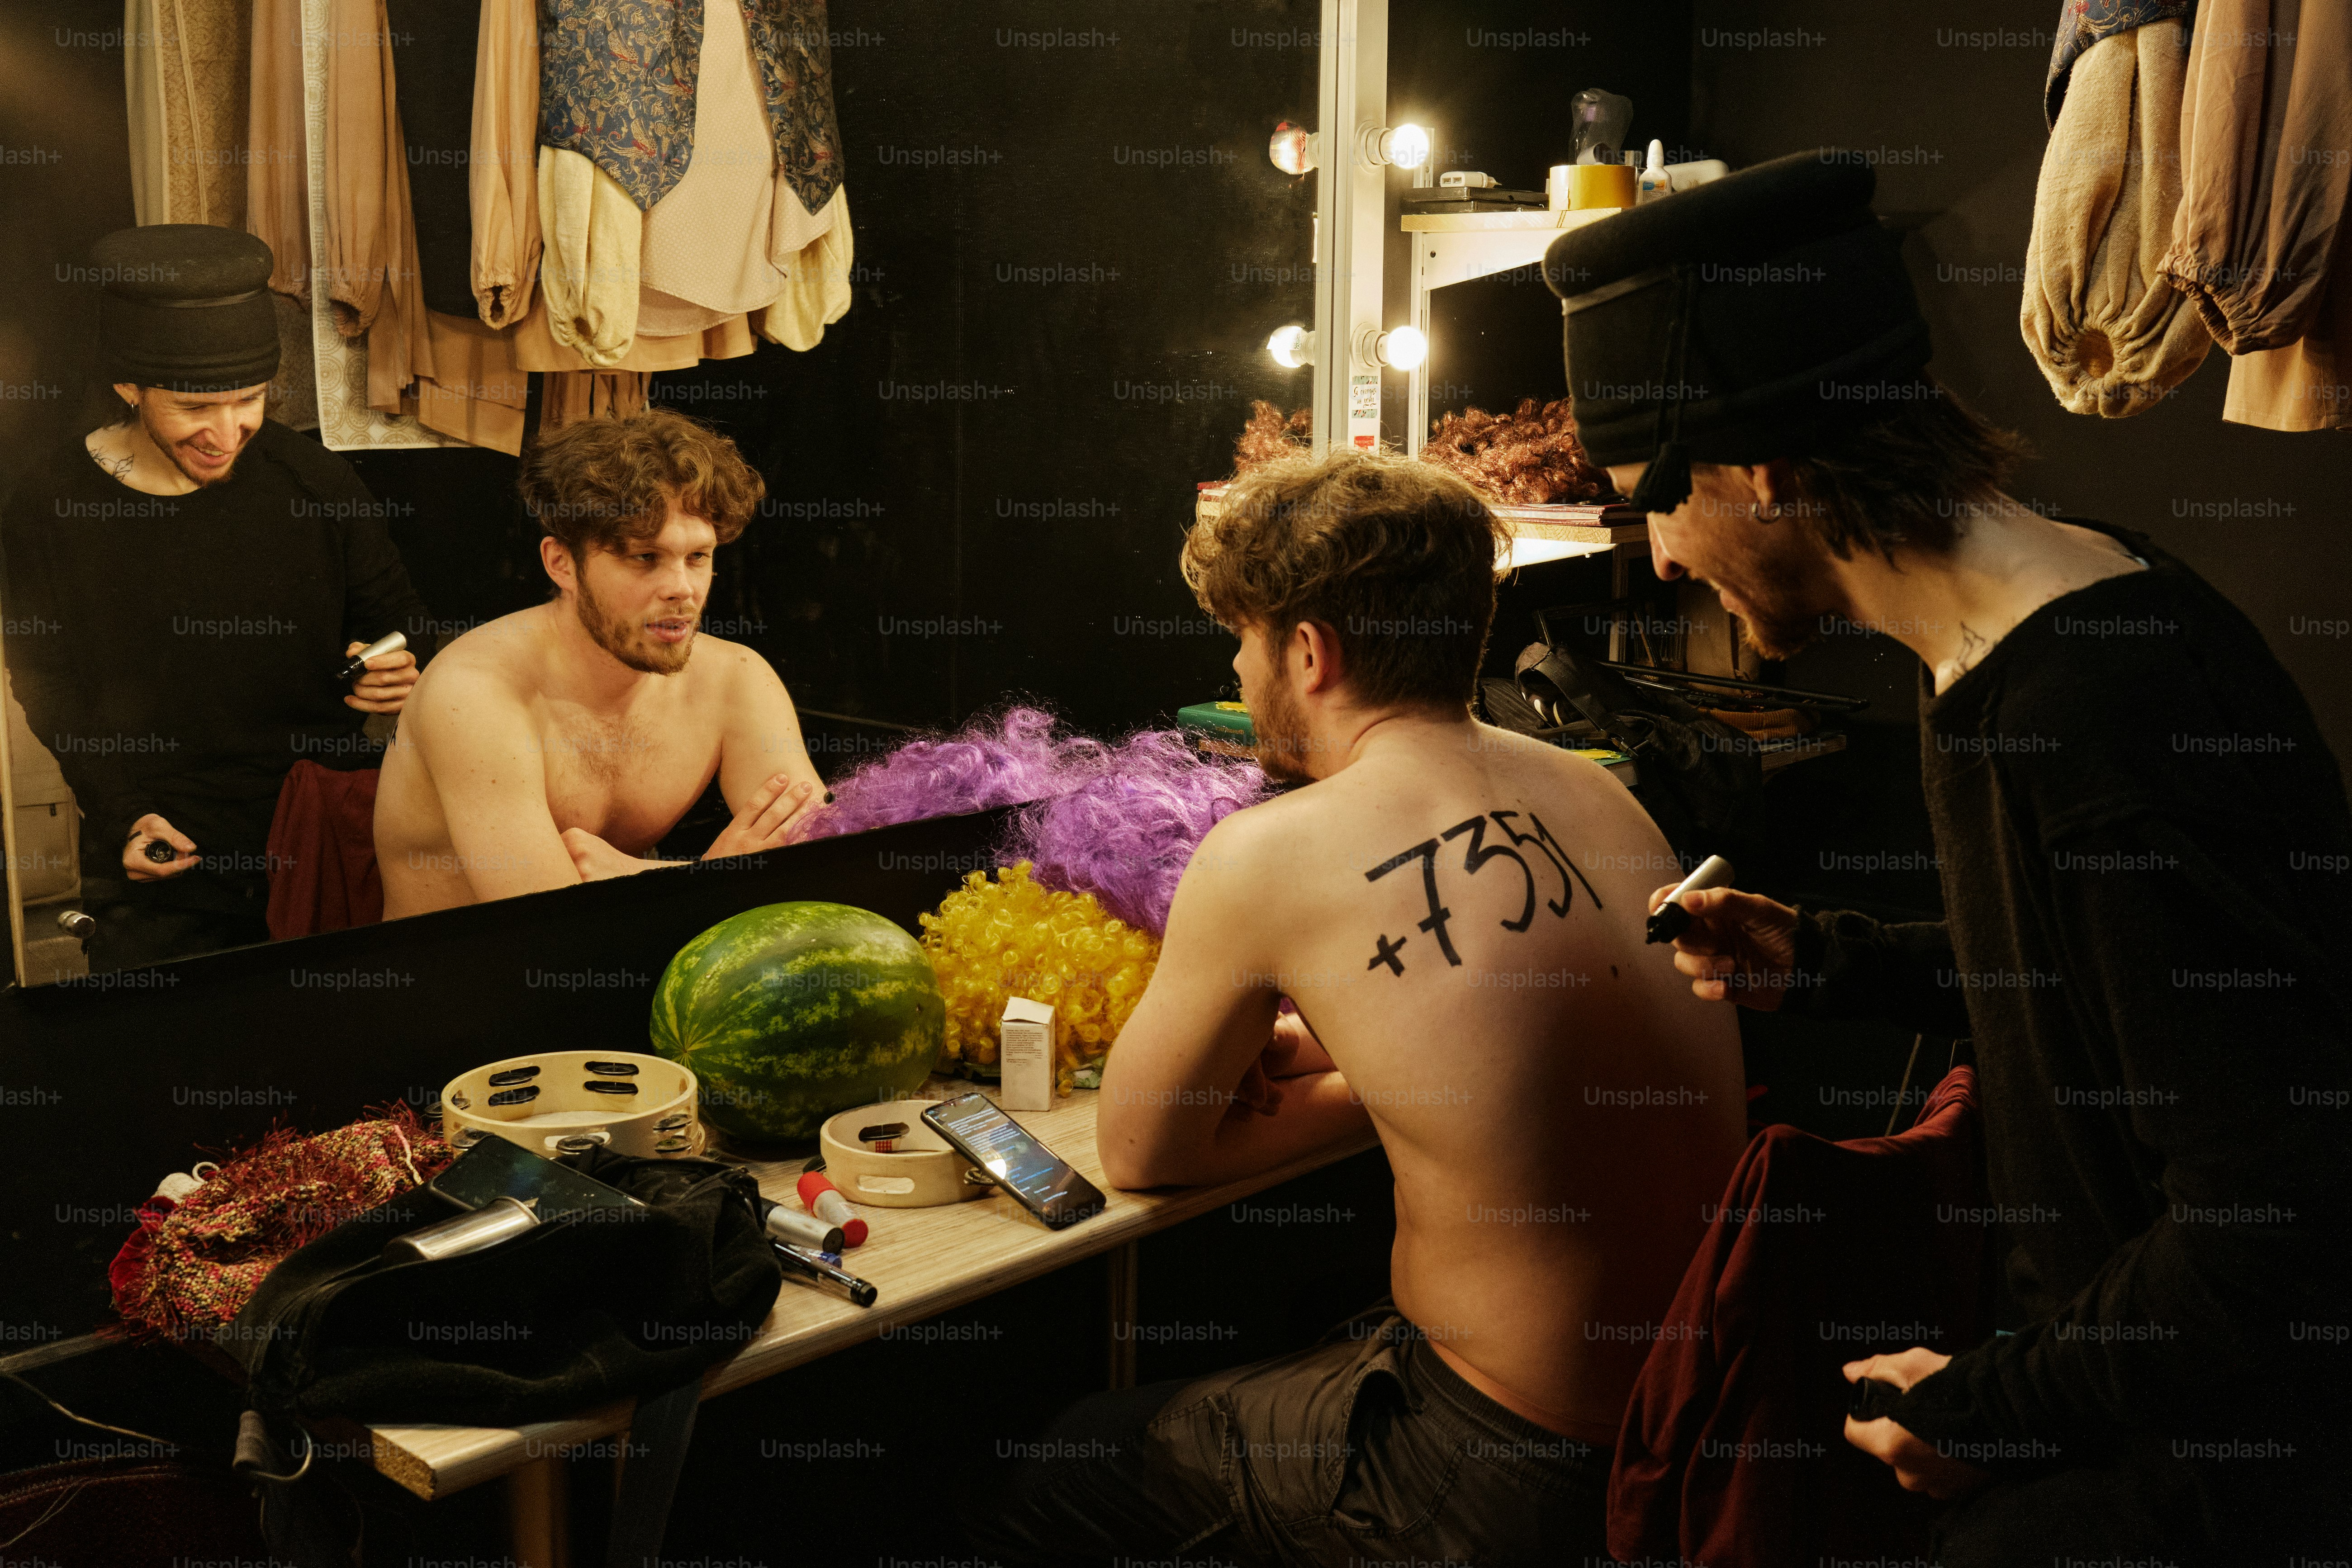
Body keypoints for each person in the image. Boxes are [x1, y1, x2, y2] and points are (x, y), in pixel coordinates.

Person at [1544, 150, 2352, 1563]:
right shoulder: (2018, 623)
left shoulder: (2096, 712)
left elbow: (2273, 1213)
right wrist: (1831, 960)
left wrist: (1987, 1406)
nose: (1657, 560)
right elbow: (2104, 1003)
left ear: (1759, 465)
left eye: (1648, 501)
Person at [970, 450, 1748, 1564]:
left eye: (1239, 639)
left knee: (1072, 1459)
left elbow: (1138, 1147)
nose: (1235, 675)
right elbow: (1526, 1076)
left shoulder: (1270, 851)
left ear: (1306, 650)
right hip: (1692, 1421)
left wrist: (1354, 1084)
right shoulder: (1594, 789)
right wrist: (1378, 1081)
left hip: (1504, 1468)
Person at [1, 226, 425, 971]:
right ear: (129, 386)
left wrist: (398, 669)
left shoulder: (313, 484)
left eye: (249, 401)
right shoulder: (48, 506)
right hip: (161, 853)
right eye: (197, 407)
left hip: (315, 832)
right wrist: (125, 810)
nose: (227, 432)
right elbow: (50, 685)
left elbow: (403, 626)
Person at [373, 408, 826, 918]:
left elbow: (823, 870)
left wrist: (635, 873)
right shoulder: (473, 693)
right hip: (459, 987)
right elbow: (549, 927)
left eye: (698, 557)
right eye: (644, 558)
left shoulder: (735, 678)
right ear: (561, 563)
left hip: (644, 967)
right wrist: (720, 874)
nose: (682, 588)